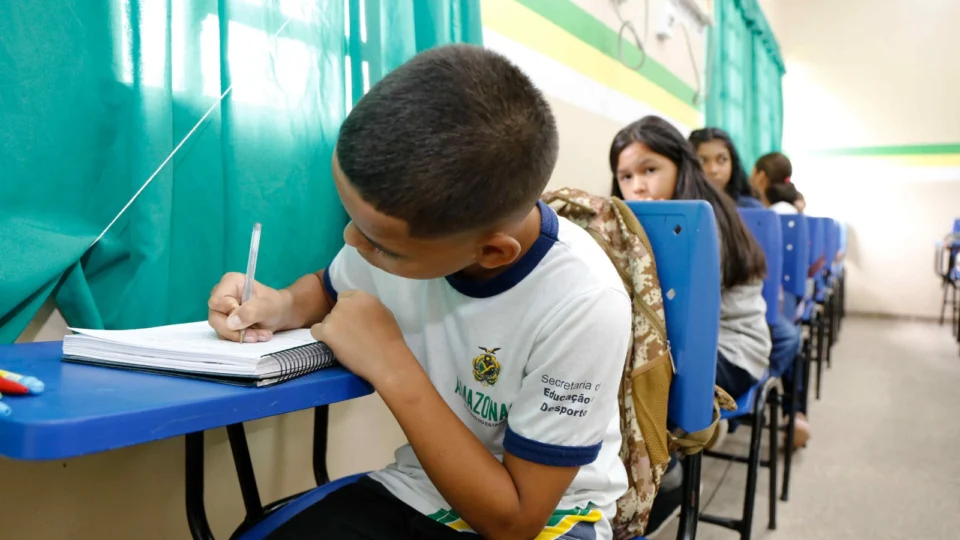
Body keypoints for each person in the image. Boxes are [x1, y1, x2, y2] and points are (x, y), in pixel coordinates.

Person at [207, 45, 633, 540]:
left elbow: (515, 521)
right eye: (352, 219)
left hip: (551, 520)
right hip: (423, 490)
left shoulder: (585, 303)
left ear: (491, 252)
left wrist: (390, 364)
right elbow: (328, 287)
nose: (351, 240)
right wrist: (279, 304)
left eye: (380, 244)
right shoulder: (408, 241)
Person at [610, 116, 772, 536]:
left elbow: (687, 323)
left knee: (639, 383)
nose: (638, 187)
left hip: (730, 348)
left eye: (650, 169)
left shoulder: (702, 220)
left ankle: (662, 476)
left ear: (681, 167)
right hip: (675, 345)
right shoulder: (626, 222)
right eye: (625, 176)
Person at [751, 151, 811, 447]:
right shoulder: (791, 211)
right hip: (788, 299)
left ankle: (760, 391)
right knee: (787, 331)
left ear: (761, 177)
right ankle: (794, 411)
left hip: (774, 299)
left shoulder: (769, 215)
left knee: (784, 331)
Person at [688, 127, 764, 208]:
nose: (713, 170)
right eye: (702, 161)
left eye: (722, 160)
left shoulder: (751, 208)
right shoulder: (682, 206)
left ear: (733, 162)